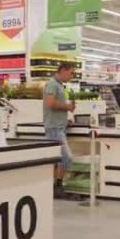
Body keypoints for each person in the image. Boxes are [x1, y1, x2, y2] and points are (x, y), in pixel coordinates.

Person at [43, 63, 77, 199]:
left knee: (57, 159)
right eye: (71, 73)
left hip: (59, 126)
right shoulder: (52, 84)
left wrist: (65, 120)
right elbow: (50, 104)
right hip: (54, 128)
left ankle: (54, 186)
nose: (72, 76)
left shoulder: (59, 85)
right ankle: (57, 186)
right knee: (66, 158)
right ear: (63, 70)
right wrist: (68, 107)